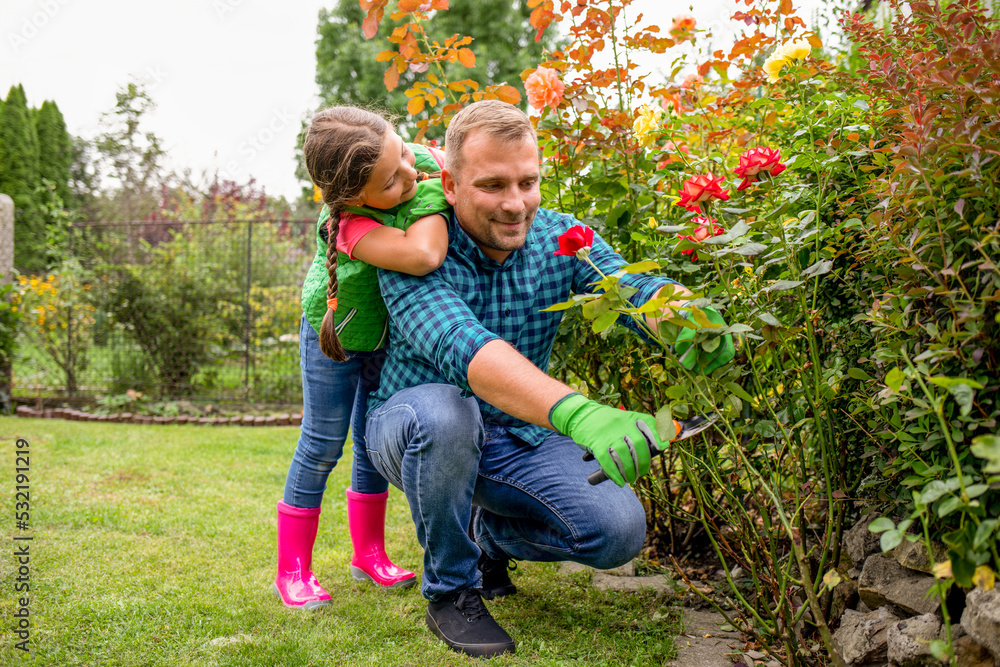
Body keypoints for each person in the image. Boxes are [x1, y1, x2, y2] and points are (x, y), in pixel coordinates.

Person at [363, 100, 735, 656]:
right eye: (493, 185)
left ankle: (488, 537)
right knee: (446, 411)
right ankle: (451, 589)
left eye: (528, 182)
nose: (516, 205)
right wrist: (581, 414)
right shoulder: (412, 250)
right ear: (451, 183)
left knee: (618, 532)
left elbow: (632, 286)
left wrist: (685, 317)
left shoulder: (562, 238)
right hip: (415, 428)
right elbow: (465, 349)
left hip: (515, 436)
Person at [274, 106, 451, 609]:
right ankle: (293, 571)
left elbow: (436, 160)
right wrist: (443, 191)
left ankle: (369, 554)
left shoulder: (403, 160)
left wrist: (431, 168)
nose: (411, 174)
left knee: (370, 441)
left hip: (381, 338)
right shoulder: (349, 226)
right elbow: (422, 255)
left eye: (403, 156)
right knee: (323, 443)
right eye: (392, 182)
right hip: (338, 337)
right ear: (352, 198)